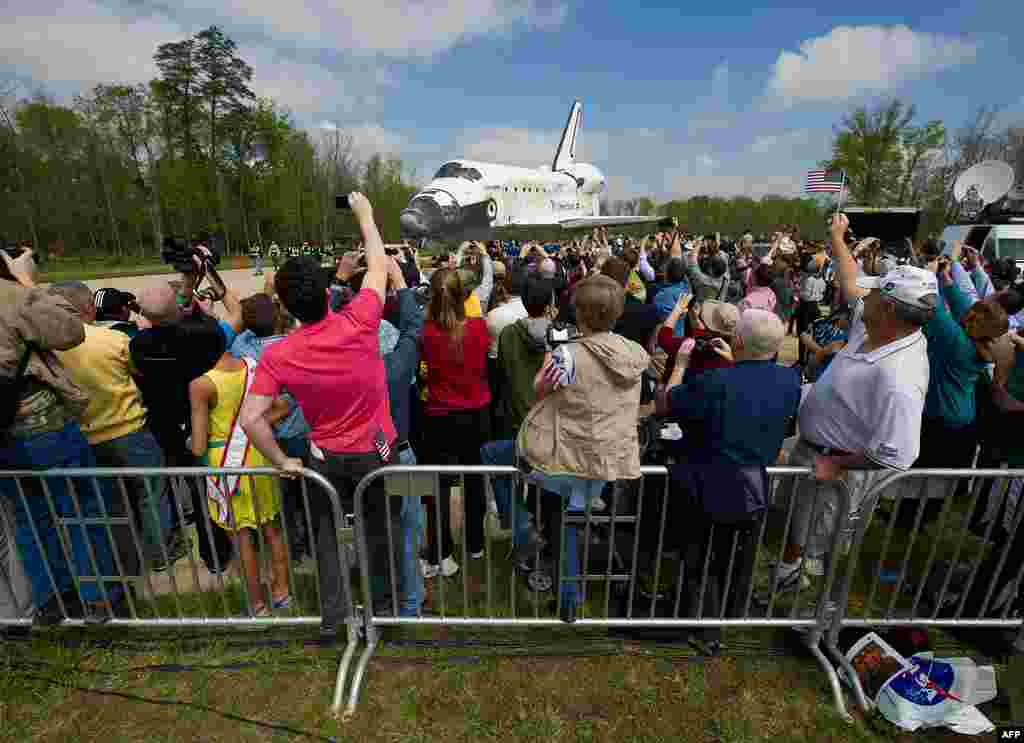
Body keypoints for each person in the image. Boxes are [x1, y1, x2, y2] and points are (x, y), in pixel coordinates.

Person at [241, 192, 399, 642]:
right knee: (378, 532)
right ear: (329, 292)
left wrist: (280, 461)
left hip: (324, 456)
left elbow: (252, 419)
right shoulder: (362, 318)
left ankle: (334, 617)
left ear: (285, 306)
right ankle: (383, 613)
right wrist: (366, 216)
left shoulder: (281, 353)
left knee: (328, 538)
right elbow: (375, 265)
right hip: (375, 450)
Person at [774, 214, 937, 589]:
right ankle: (795, 566)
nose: (867, 294)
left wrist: (838, 465)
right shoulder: (877, 319)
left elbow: (898, 453)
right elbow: (849, 281)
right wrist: (837, 237)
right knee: (798, 522)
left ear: (891, 308)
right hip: (814, 446)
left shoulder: (900, 377)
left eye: (877, 291)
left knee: (816, 531)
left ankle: (798, 585)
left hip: (837, 462)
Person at [659, 308, 800, 651]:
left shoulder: (715, 382)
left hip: (707, 481)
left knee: (701, 556)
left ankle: (702, 626)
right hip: (755, 482)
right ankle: (731, 612)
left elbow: (668, 403)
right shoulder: (789, 380)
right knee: (739, 556)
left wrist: (678, 366)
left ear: (736, 340)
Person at [515, 274, 649, 621]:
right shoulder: (633, 353)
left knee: (559, 524)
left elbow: (540, 390)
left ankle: (566, 595)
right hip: (608, 459)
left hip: (568, 461)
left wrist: (548, 365)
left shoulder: (565, 355)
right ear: (617, 313)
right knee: (568, 523)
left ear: (577, 312)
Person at [0, 248, 117, 624]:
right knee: (83, 507)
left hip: (3, 436)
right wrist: (25, 282)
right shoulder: (12, 296)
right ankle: (97, 597)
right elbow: (70, 330)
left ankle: (52, 599)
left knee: (29, 516)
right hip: (41, 425)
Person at [49, 282, 170, 577]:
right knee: (151, 495)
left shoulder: (50, 348)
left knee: (112, 504)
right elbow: (139, 371)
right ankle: (159, 557)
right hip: (129, 430)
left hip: (85, 435)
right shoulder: (113, 339)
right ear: (88, 307)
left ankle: (126, 563)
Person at [190, 347, 290, 617]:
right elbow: (283, 406)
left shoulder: (201, 384)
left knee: (241, 538)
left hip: (226, 462)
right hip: (258, 452)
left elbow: (198, 447)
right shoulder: (252, 366)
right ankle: (282, 591)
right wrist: (252, 426)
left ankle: (258, 605)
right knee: (272, 527)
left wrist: (192, 441)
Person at [418, 266, 492, 574]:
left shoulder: (427, 333)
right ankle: (475, 543)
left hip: (441, 416)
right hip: (474, 413)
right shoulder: (478, 328)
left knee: (438, 486)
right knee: (474, 479)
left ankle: (443, 551)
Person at [229, 294, 312, 561]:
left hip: (266, 438)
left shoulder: (243, 349)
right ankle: (312, 542)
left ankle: (294, 549)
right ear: (278, 317)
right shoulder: (296, 345)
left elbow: (238, 335)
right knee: (310, 494)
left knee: (282, 499)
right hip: (300, 430)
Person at [800, 306, 852, 382]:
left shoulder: (846, 337)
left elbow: (826, 353)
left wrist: (815, 347)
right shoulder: (822, 322)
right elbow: (804, 335)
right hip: (816, 369)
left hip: (823, 374)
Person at [652, 258, 692, 335]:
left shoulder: (663, 295)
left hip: (665, 339)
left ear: (667, 274)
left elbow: (656, 319)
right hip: (679, 335)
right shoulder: (686, 287)